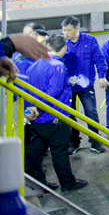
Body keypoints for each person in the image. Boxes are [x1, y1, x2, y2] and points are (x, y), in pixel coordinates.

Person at [24, 34, 88, 192]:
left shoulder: (34, 65)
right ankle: (67, 184)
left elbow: (26, 90)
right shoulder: (58, 66)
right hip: (55, 117)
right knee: (59, 152)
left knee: (35, 153)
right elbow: (54, 92)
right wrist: (39, 108)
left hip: (37, 120)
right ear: (64, 48)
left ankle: (39, 184)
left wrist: (31, 109)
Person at [61, 16, 108, 154]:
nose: (65, 33)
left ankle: (95, 142)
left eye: (68, 30)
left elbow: (99, 59)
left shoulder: (90, 40)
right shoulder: (62, 43)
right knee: (69, 114)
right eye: (64, 30)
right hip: (67, 87)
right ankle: (74, 142)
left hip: (85, 86)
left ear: (77, 29)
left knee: (91, 113)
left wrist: (102, 76)